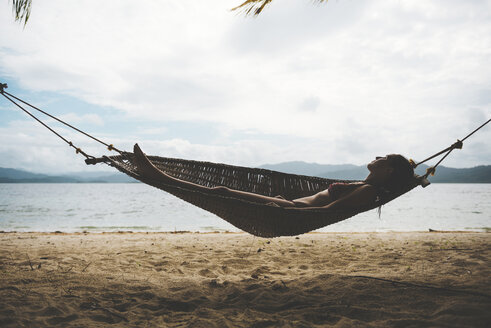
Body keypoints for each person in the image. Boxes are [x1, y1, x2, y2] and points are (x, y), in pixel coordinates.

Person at [132, 144, 414, 211]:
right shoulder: (365, 185)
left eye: (382, 159)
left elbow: (327, 212)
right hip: (287, 205)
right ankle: (159, 175)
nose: (376, 159)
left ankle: (158, 175)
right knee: (220, 189)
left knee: (220, 190)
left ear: (387, 171)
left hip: (290, 211)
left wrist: (285, 210)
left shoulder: (366, 192)